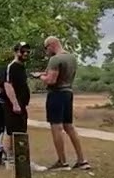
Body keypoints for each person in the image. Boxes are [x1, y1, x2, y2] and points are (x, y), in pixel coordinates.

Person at [37, 36, 90, 170]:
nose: (46, 51)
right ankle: (82, 160)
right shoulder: (71, 57)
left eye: (46, 48)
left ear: (51, 45)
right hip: (68, 93)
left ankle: (62, 161)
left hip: (56, 94)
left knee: (56, 127)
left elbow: (51, 80)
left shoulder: (55, 59)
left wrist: (40, 76)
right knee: (69, 126)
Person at [2, 41, 32, 155]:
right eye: (23, 51)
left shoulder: (21, 67)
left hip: (22, 104)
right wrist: (15, 103)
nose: (26, 54)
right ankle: (10, 158)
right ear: (16, 52)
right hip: (13, 105)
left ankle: (19, 158)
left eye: (27, 52)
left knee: (20, 130)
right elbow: (8, 85)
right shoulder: (12, 66)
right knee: (11, 131)